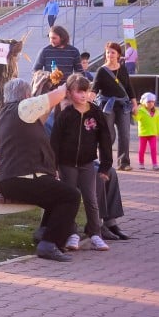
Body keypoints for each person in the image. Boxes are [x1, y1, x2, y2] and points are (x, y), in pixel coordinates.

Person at [0, 78, 81, 262]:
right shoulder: (23, 108)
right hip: (20, 178)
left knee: (59, 195)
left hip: (14, 177)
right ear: (27, 95)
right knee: (71, 196)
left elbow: (45, 110)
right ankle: (49, 244)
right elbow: (55, 97)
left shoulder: (9, 112)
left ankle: (44, 234)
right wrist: (68, 85)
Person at [50, 74, 113, 251]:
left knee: (91, 199)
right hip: (66, 164)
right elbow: (55, 141)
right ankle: (72, 234)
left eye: (86, 91)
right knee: (70, 199)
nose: (83, 95)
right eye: (79, 92)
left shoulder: (95, 112)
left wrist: (105, 165)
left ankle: (95, 234)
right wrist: (53, 166)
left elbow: (105, 138)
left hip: (87, 163)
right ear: (69, 93)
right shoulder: (65, 115)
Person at [91, 41, 137, 171]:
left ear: (118, 55)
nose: (110, 55)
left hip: (123, 106)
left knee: (125, 134)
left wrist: (134, 104)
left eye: (113, 52)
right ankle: (105, 161)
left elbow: (128, 87)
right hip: (107, 106)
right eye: (108, 52)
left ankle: (124, 162)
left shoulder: (122, 68)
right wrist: (87, 102)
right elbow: (94, 89)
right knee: (108, 135)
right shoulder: (101, 71)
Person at [135, 92, 159, 171]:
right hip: (143, 134)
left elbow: (158, 123)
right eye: (148, 101)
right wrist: (135, 113)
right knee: (142, 149)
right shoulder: (141, 111)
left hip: (153, 133)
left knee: (153, 149)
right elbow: (137, 118)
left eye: (152, 101)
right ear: (143, 102)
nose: (151, 103)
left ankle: (155, 164)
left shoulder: (157, 111)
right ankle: (141, 163)